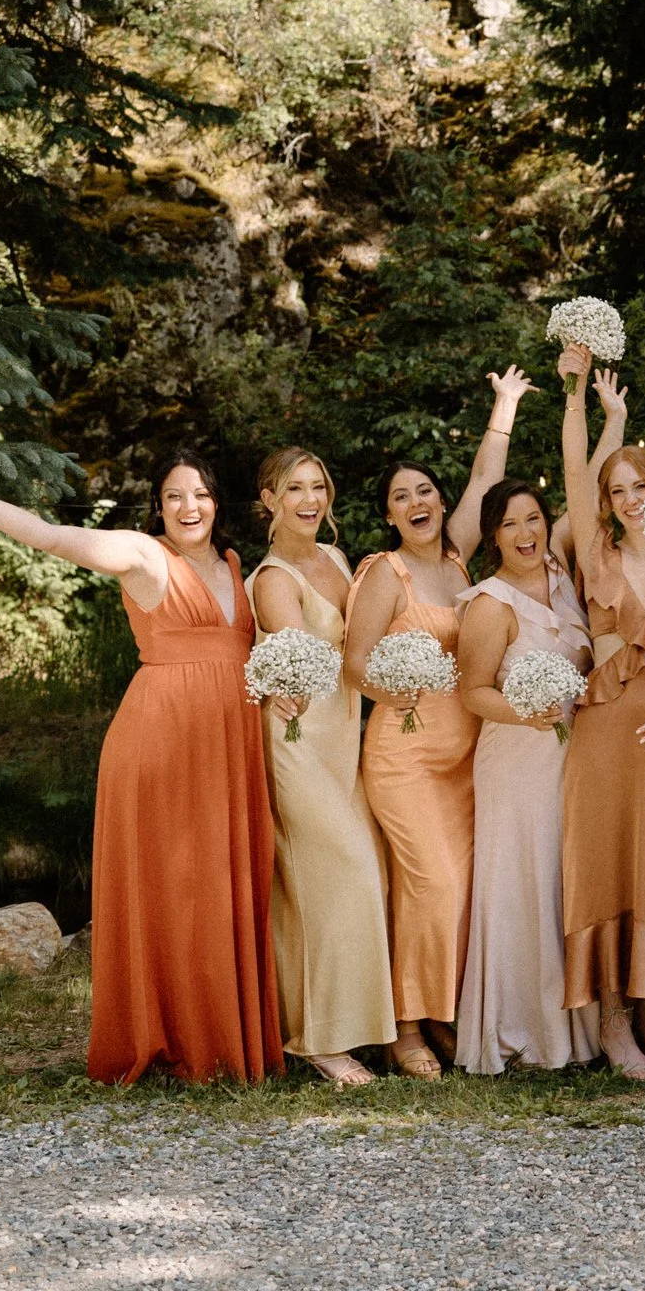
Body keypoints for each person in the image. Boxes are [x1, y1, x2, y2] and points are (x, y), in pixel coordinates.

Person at [0, 451, 281, 1084]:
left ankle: (225, 1037)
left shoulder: (231, 565)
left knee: (218, 883)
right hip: (163, 742)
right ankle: (177, 1040)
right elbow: (53, 536)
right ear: (158, 507)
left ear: (217, 502)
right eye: (174, 497)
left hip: (229, 741)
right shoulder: (143, 555)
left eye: (199, 494)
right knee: (177, 888)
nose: (189, 507)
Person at [342, 366, 554, 1078]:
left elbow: (483, 484)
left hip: (467, 759)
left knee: (460, 889)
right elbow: (355, 662)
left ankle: (439, 1014)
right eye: (401, 497)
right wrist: (395, 686)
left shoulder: (461, 562)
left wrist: (503, 406)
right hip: (404, 759)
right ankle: (404, 1027)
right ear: (391, 515)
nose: (418, 502)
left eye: (424, 490)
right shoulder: (385, 574)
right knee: (430, 883)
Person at [557, 348, 645, 1080]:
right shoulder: (596, 549)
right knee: (607, 861)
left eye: (640, 486)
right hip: (605, 727)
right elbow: (576, 469)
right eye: (618, 490)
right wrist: (585, 397)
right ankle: (614, 1018)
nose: (627, 497)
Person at [247, 447, 397, 1085]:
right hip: (298, 740)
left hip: (342, 738)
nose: (310, 499)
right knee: (337, 877)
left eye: (318, 487)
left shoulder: (335, 559)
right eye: (294, 489)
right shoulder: (275, 578)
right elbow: (301, 662)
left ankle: (350, 1026)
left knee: (362, 878)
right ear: (269, 502)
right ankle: (316, 1038)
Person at [455, 479, 599, 1074]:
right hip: (515, 758)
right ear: (493, 535)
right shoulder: (491, 603)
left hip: (572, 760)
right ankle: (521, 1031)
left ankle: (575, 1024)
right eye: (511, 525)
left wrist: (595, 406)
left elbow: (588, 492)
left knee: (562, 880)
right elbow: (472, 692)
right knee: (522, 883)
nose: (526, 534)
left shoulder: (562, 578)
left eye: (534, 520)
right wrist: (529, 713)